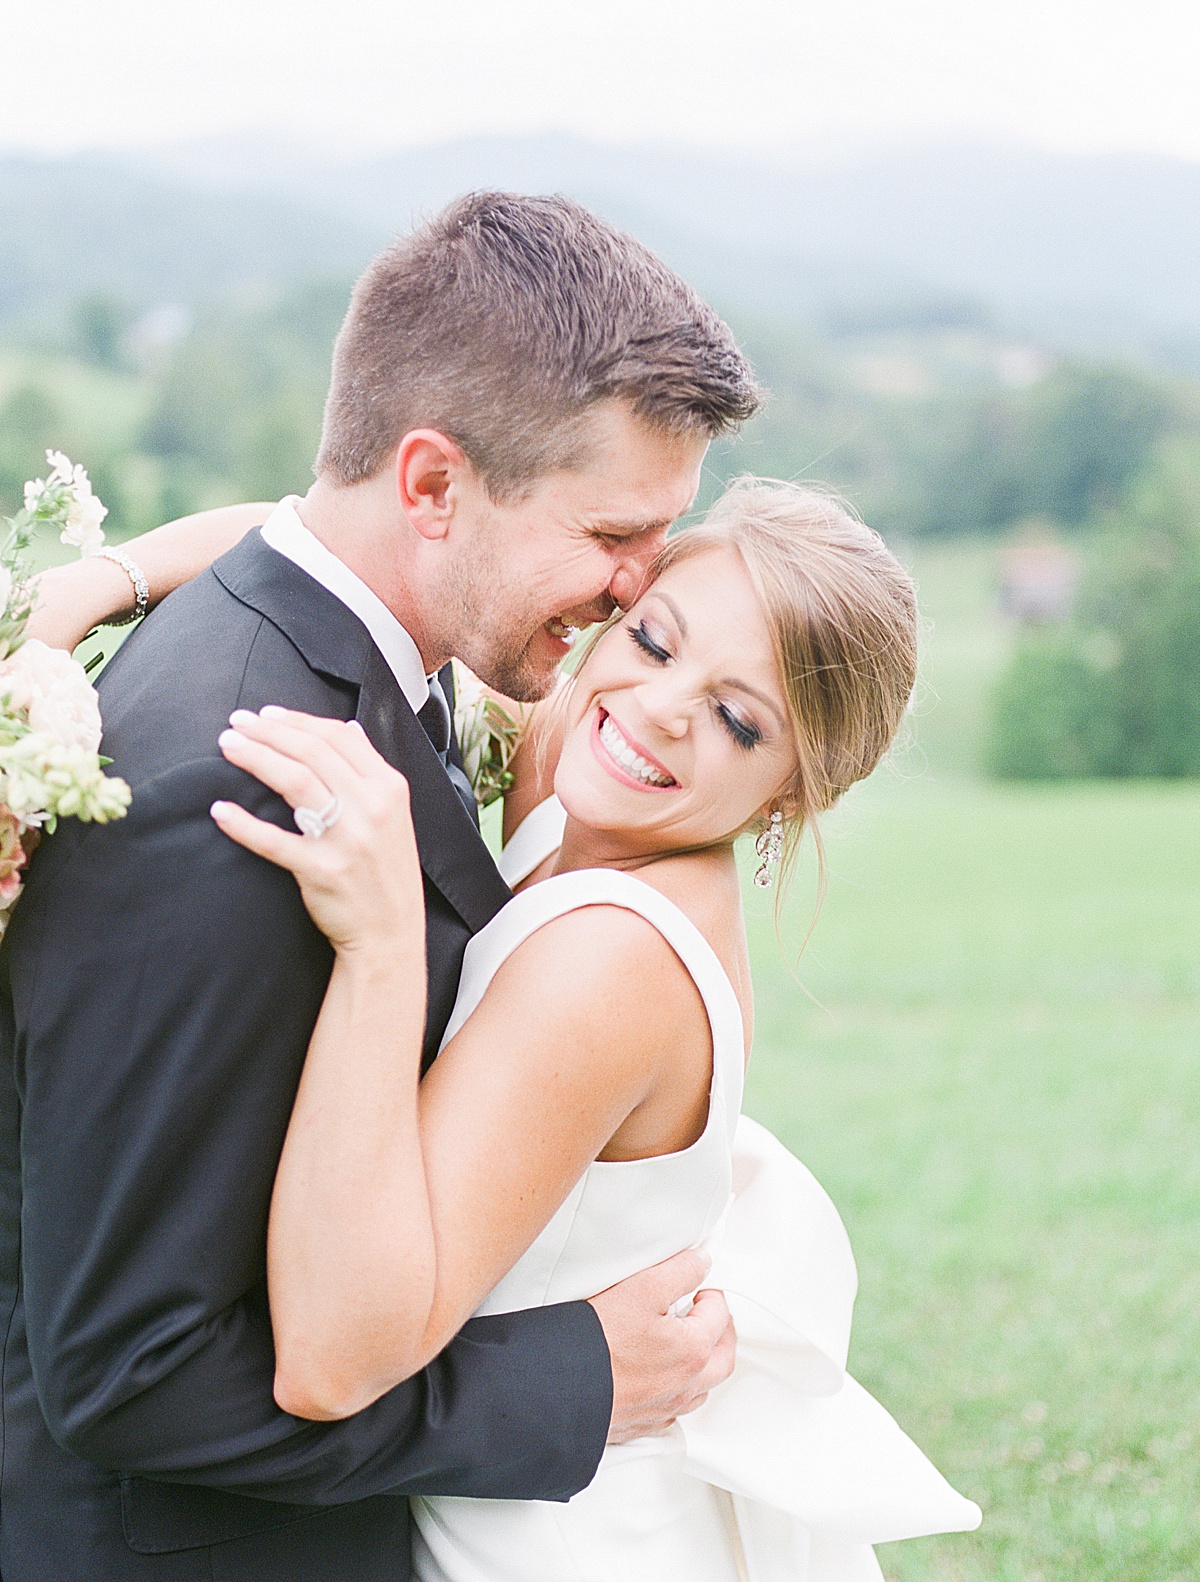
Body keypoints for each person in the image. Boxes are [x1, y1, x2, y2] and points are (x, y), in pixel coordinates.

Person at [0, 192, 761, 1580]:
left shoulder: (364, 642)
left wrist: (90, 586)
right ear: (429, 486)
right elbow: (131, 1374)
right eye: (612, 533)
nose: (637, 585)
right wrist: (570, 1380)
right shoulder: (228, 793)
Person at [99, 478, 981, 1580]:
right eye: (656, 640)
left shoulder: (607, 961)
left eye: (739, 719)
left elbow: (329, 1363)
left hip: (550, 1535)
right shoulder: (591, 768)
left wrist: (378, 946)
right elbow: (344, 552)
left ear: (791, 794)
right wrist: (94, 586)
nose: (663, 707)